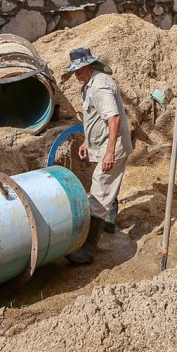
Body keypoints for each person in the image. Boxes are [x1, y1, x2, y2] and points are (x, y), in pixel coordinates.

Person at [64, 47, 133, 264]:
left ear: (90, 65)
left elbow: (113, 118)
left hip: (111, 147)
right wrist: (87, 140)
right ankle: (108, 221)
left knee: (98, 192)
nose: (76, 74)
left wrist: (110, 152)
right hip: (102, 145)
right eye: (74, 70)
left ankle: (87, 251)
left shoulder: (100, 85)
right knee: (106, 187)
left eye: (79, 69)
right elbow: (96, 118)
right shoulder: (89, 85)